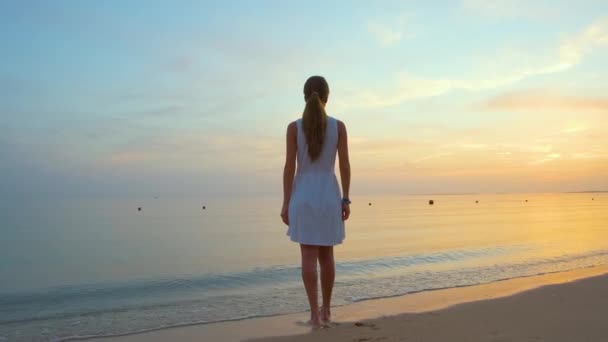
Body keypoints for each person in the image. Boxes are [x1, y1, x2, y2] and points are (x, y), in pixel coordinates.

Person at [280, 75, 351, 327]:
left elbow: (289, 168)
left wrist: (286, 202)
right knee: (327, 256)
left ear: (304, 96)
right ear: (327, 97)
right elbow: (344, 165)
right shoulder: (338, 126)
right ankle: (327, 310)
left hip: (303, 196)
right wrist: (346, 198)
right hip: (328, 195)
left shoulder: (293, 127)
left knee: (307, 256)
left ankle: (313, 315)